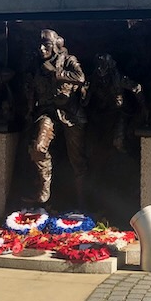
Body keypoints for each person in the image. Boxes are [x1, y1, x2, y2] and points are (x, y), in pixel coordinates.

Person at [26, 29, 89, 206]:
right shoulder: (36, 65)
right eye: (39, 45)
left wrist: (55, 73)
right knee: (38, 148)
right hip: (47, 113)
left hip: (70, 114)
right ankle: (43, 192)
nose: (41, 49)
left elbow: (80, 77)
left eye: (46, 45)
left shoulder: (69, 60)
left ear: (56, 45)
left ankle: (82, 200)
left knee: (77, 160)